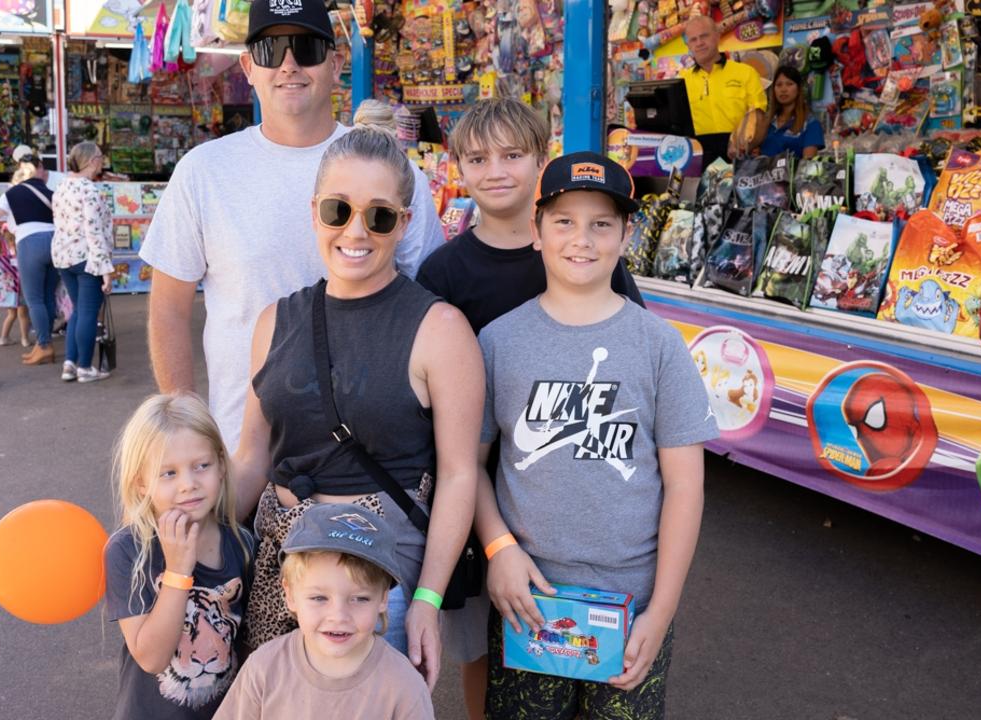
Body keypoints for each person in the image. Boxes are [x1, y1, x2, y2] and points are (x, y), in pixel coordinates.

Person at [413, 97, 646, 720]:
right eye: (478, 157)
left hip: (570, 498)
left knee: (580, 645)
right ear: (456, 166)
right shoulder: (442, 271)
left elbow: (633, 362)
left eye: (513, 155)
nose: (496, 171)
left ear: (540, 161)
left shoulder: (585, 255)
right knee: (484, 653)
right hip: (475, 494)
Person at [231, 128, 481, 691]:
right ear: (314, 213)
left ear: (407, 221)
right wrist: (201, 547)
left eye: (380, 216)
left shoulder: (440, 329)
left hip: (378, 577)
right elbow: (251, 457)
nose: (356, 231)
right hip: (284, 570)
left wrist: (427, 599)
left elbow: (459, 474)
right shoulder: (276, 320)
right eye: (338, 209)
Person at [474, 152, 718, 718]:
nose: (581, 239)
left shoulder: (659, 346)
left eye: (601, 223)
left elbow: (686, 489)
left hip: (632, 605)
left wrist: (661, 612)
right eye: (564, 221)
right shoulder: (497, 342)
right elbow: (471, 467)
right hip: (526, 600)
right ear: (536, 231)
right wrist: (498, 549)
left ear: (626, 234)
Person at [140, 0, 443, 448]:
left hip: (372, 452)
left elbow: (429, 297)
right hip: (241, 447)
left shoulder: (391, 171)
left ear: (335, 63)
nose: (288, 65)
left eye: (305, 48)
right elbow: (168, 308)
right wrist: (184, 428)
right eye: (270, 49)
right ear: (248, 65)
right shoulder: (203, 171)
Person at [103, 393, 255, 720]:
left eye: (202, 466)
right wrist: (178, 571)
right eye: (168, 473)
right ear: (141, 482)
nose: (189, 484)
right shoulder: (127, 551)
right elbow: (152, 658)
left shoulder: (242, 542)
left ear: (221, 467)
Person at [215, 504, 434, 719]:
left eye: (359, 599)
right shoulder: (263, 669)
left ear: (384, 598)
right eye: (319, 598)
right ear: (290, 595)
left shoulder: (403, 685)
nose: (338, 616)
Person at [0, 148, 63, 364]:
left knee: (33, 298)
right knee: (48, 296)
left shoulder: (13, 193)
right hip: (55, 243)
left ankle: (44, 345)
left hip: (30, 243)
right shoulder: (51, 193)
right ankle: (43, 344)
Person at [52, 141, 114, 383]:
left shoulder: (62, 188)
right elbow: (94, 231)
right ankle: (85, 367)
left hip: (63, 255)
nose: (102, 160)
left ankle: (70, 362)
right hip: (87, 257)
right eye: (100, 156)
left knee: (78, 309)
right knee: (88, 312)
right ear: (91, 161)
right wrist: (106, 269)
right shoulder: (90, 190)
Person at [679, 15, 768, 164]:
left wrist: (744, 145)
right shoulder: (680, 81)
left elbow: (758, 116)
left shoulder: (746, 73)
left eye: (704, 36)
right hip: (696, 160)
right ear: (688, 46)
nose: (699, 43)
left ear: (717, 37)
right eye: (693, 39)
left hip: (739, 155)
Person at [752, 65, 824, 160]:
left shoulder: (811, 124)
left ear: (799, 89)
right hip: (762, 173)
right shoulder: (765, 122)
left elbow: (808, 165)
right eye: (779, 85)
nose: (783, 89)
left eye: (789, 84)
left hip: (792, 174)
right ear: (773, 90)